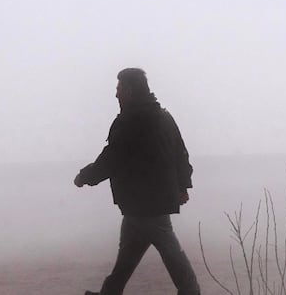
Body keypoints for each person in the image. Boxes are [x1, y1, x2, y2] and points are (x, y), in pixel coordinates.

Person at [74, 68, 200, 295]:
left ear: (129, 91)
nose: (115, 95)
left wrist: (85, 177)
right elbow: (180, 153)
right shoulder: (164, 116)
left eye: (118, 89)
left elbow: (111, 158)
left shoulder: (130, 121)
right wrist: (184, 186)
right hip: (142, 202)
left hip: (146, 203)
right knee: (128, 254)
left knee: (170, 251)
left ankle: (191, 291)